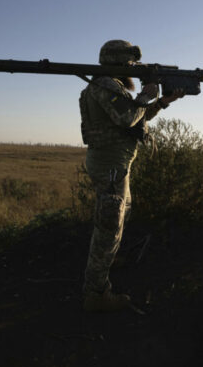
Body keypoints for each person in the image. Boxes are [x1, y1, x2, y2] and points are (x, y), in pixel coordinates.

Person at [79, 39, 185, 312]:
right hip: (110, 166)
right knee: (109, 226)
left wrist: (161, 102)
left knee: (119, 216)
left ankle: (107, 260)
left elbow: (135, 117)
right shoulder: (105, 85)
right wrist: (145, 97)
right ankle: (96, 293)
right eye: (131, 64)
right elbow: (126, 117)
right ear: (121, 63)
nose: (134, 69)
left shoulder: (110, 85)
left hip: (116, 164)